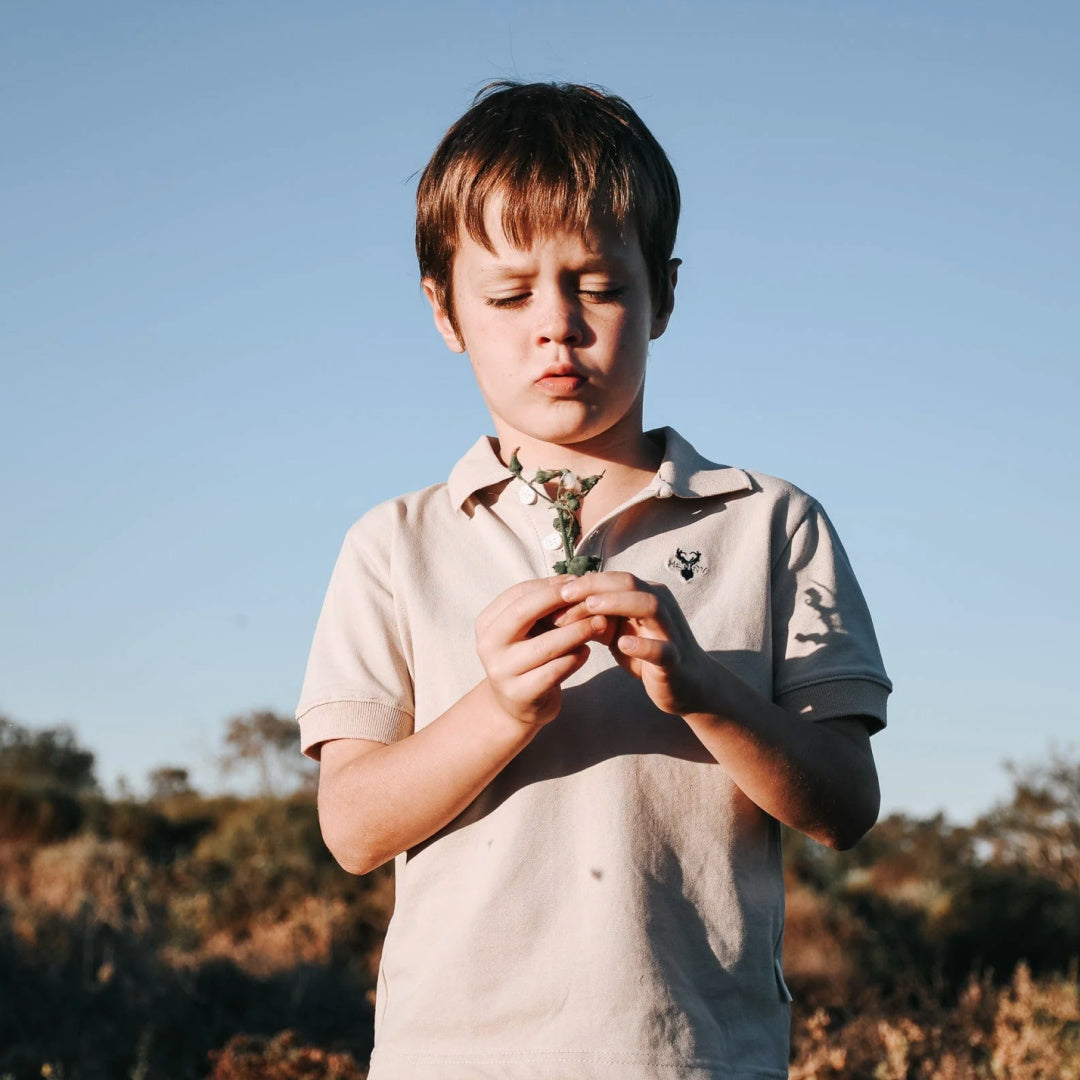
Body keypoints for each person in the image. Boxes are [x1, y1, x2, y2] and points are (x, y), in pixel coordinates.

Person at [297, 81, 891, 1080]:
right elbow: (353, 829)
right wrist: (499, 709)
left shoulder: (771, 522)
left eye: (600, 286)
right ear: (445, 309)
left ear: (663, 292)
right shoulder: (394, 543)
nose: (558, 325)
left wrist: (706, 691)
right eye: (509, 292)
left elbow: (845, 803)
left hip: (700, 1058)